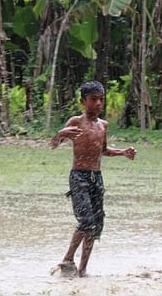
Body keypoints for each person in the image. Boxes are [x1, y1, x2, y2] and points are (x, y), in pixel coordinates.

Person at [51, 81, 136, 277]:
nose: (98, 103)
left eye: (101, 99)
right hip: (79, 176)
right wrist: (60, 133)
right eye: (93, 99)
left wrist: (123, 152)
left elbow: (103, 150)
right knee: (86, 221)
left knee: (95, 226)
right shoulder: (75, 122)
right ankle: (67, 259)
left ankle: (82, 269)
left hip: (96, 178)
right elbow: (54, 144)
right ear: (83, 101)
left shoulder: (103, 125)